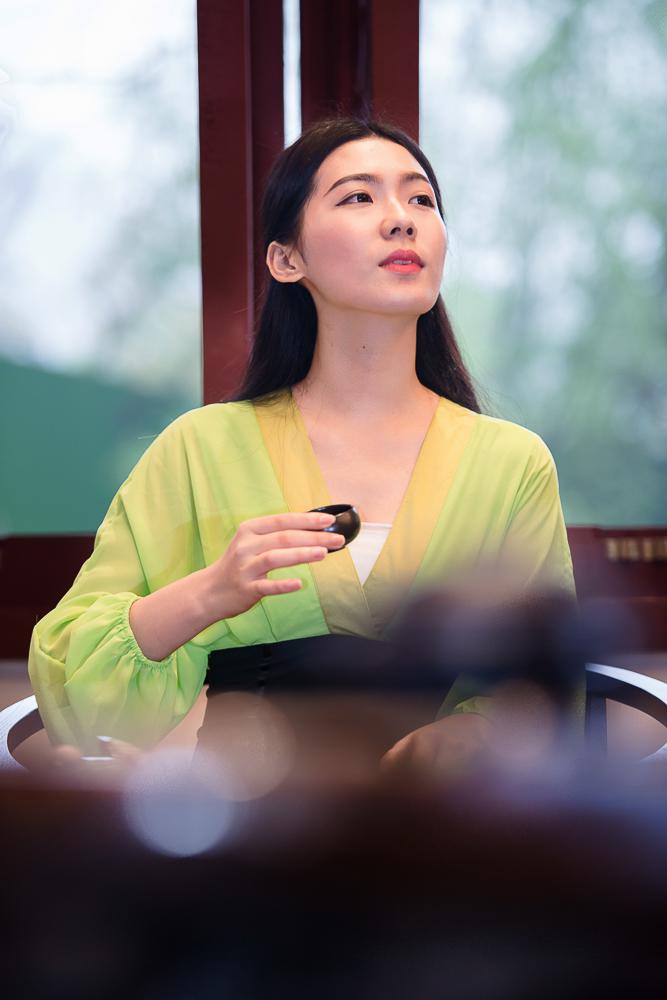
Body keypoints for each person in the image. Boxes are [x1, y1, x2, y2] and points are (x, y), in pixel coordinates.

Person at [28, 116, 578, 764]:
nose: (401, 220)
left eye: (421, 199)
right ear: (286, 259)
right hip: (238, 813)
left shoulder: (512, 464)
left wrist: (467, 736)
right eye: (359, 196)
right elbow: (81, 698)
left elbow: (545, 689)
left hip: (434, 818)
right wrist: (209, 591)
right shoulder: (198, 449)